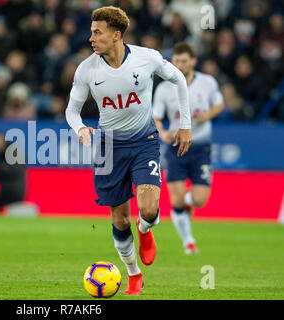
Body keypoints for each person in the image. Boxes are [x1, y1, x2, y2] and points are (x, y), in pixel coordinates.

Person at [65, 6, 192, 295]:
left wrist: (185, 125)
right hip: (109, 148)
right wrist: (81, 128)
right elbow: (71, 111)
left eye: (98, 32)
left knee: (148, 209)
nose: (91, 38)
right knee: (120, 219)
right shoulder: (86, 70)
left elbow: (179, 79)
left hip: (144, 141)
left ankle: (146, 230)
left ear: (116, 35)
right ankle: (134, 274)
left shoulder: (147, 58)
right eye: (91, 32)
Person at [153, 42, 224, 254]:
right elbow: (156, 116)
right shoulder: (164, 88)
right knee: (175, 200)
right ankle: (188, 241)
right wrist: (162, 132)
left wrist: (208, 115)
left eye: (184, 61)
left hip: (201, 147)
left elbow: (219, 104)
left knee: (200, 200)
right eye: (176, 61)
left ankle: (183, 207)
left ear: (193, 61)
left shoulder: (207, 82)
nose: (180, 65)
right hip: (176, 147)